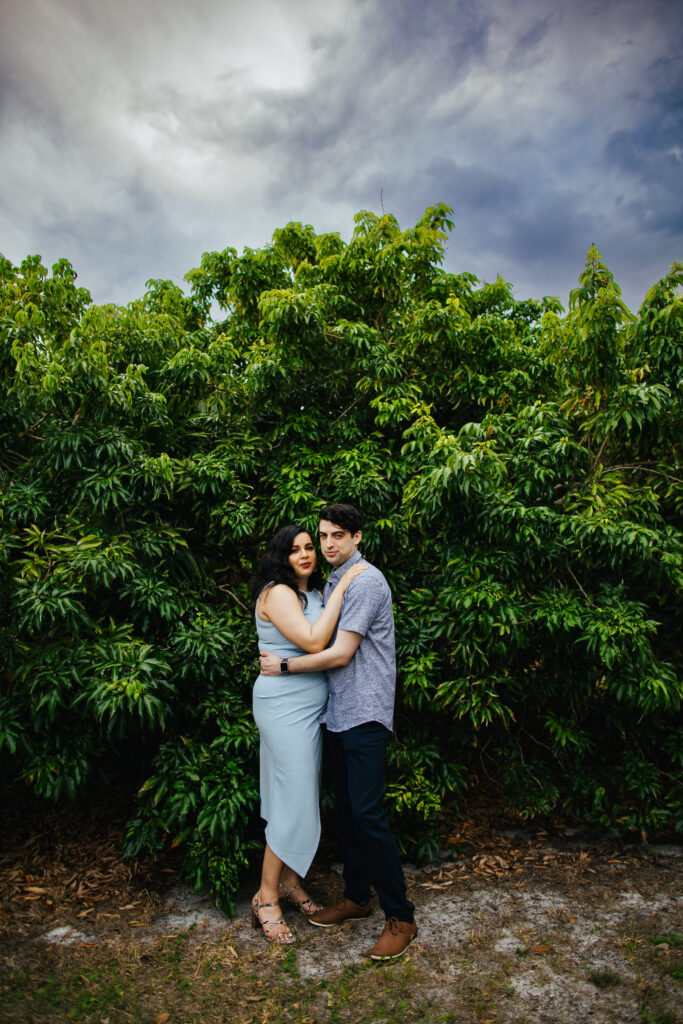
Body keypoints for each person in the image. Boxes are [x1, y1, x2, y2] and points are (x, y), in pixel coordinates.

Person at [259, 503, 417, 961]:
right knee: (348, 813)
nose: (327, 545)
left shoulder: (364, 580)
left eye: (336, 536)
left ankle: (400, 916)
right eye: (322, 537)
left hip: (365, 713)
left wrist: (284, 666)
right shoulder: (330, 580)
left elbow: (341, 653)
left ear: (357, 537)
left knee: (368, 815)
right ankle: (356, 897)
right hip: (335, 713)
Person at [250, 524, 367, 944]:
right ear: (281, 556)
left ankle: (291, 882)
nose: (305, 554)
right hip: (282, 705)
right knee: (292, 798)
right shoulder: (278, 593)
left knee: (297, 796)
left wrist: (331, 593)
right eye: (295, 549)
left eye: (308, 548)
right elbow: (316, 643)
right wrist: (346, 583)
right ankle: (266, 897)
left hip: (310, 707)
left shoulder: (313, 595)